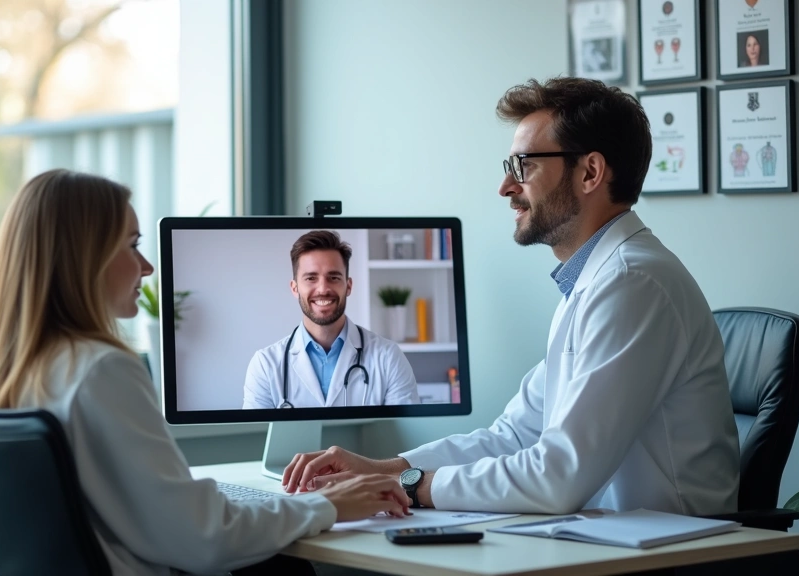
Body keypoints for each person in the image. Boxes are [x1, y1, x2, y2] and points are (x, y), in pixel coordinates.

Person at [281, 77, 740, 517]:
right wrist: (386, 469)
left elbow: (559, 474)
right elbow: (516, 434)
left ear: (591, 172)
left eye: (525, 166)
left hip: (669, 557)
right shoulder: (594, 282)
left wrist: (409, 487)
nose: (506, 187)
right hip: (604, 543)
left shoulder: (631, 283)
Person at [0, 169, 410, 576]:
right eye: (132, 246)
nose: (146, 266)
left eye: (333, 278)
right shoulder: (101, 371)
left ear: (349, 284)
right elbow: (204, 537)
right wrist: (328, 504)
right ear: (84, 258)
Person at [242, 230, 420, 409]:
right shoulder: (265, 365)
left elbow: (408, 434)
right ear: (295, 288)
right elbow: (257, 436)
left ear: (348, 286)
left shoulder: (388, 358)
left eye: (333, 278)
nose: (323, 289)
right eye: (311, 278)